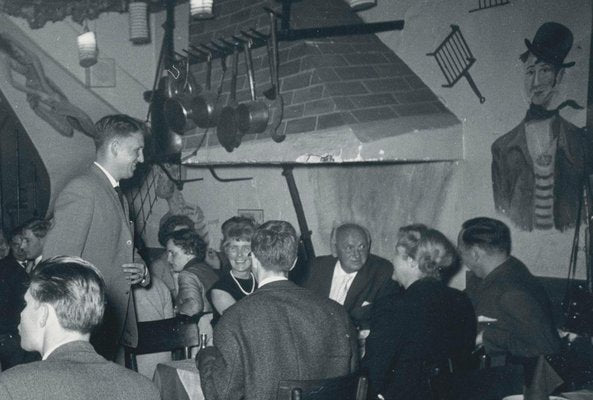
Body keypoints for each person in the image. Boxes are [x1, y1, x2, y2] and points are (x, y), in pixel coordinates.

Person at [197, 220, 359, 400]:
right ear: (293, 262)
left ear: (255, 259)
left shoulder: (235, 318)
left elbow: (221, 394)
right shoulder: (337, 313)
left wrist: (206, 355)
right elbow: (350, 380)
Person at [42, 114, 151, 361]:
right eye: (137, 150)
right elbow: (55, 265)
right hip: (89, 330)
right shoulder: (83, 189)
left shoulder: (116, 194)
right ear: (114, 148)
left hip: (108, 328)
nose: (141, 159)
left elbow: (124, 248)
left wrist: (142, 271)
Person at [0, 256, 160, 400]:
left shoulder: (11, 387)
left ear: (43, 314)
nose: (21, 314)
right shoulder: (145, 388)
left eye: (26, 304)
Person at [491, 22, 593, 231]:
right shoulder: (502, 148)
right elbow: (502, 219)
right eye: (530, 72)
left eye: (545, 70)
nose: (536, 82)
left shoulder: (581, 142)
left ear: (559, 76)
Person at [363, 224, 476, 400]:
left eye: (396, 254)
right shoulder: (461, 300)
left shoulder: (393, 305)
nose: (392, 260)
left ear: (412, 262)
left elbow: (373, 373)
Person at [458, 217, 560, 358]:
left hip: (506, 375)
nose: (462, 260)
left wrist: (488, 337)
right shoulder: (497, 273)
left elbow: (547, 348)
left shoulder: (512, 293)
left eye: (461, 253)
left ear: (475, 254)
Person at [303, 222, 398, 330]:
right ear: (334, 249)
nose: (357, 255)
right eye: (349, 248)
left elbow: (385, 321)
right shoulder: (315, 268)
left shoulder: (382, 272)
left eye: (362, 247)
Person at [209, 217, 257, 326]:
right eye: (233, 248)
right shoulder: (220, 290)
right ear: (226, 251)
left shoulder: (261, 280)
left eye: (245, 248)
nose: (239, 255)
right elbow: (244, 326)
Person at [0, 230, 34, 370]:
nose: (21, 249)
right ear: (10, 245)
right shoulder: (6, 268)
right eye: (15, 245)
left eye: (24, 244)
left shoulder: (36, 263)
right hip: (13, 336)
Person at [165, 229, 219, 317]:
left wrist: (176, 310)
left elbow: (193, 307)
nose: (168, 259)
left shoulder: (187, 274)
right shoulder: (204, 267)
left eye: (173, 253)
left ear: (189, 251)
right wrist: (175, 279)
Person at [151, 214, 196, 299]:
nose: (184, 240)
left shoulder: (196, 261)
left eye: (187, 235)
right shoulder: (158, 266)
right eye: (178, 236)